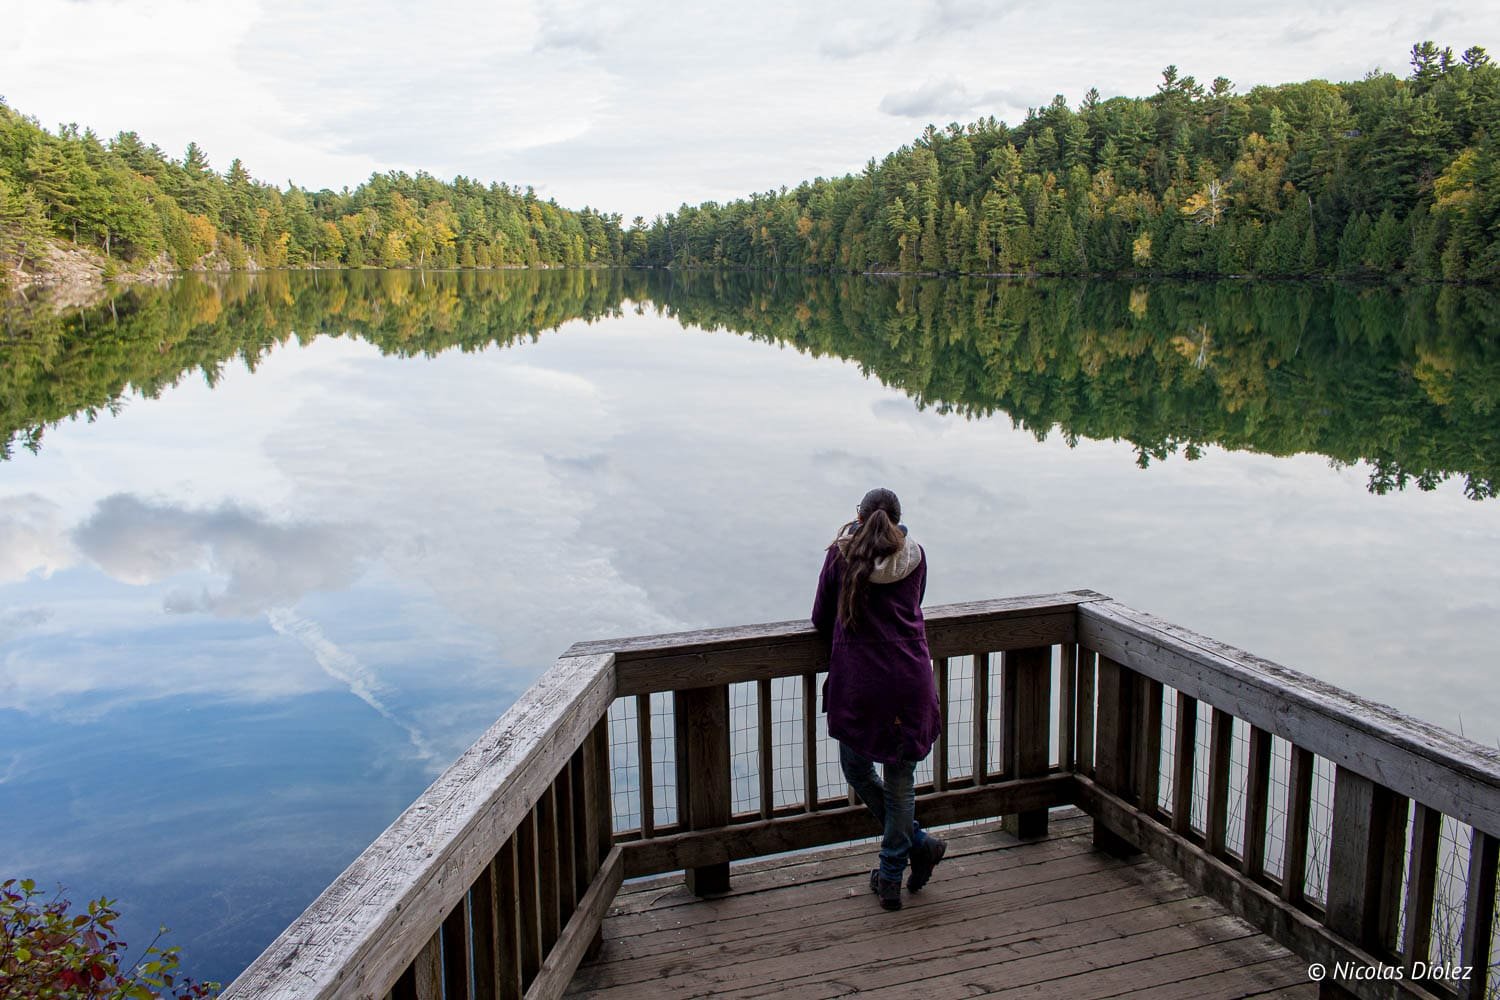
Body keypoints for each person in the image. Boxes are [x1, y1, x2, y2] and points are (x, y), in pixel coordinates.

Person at [811, 487, 946, 911]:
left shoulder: (840, 556)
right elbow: (914, 605)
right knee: (901, 783)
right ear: (898, 520)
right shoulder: (916, 557)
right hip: (910, 681)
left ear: (860, 516)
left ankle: (898, 867)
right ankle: (905, 858)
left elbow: (820, 617)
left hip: (861, 686)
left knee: (857, 768)